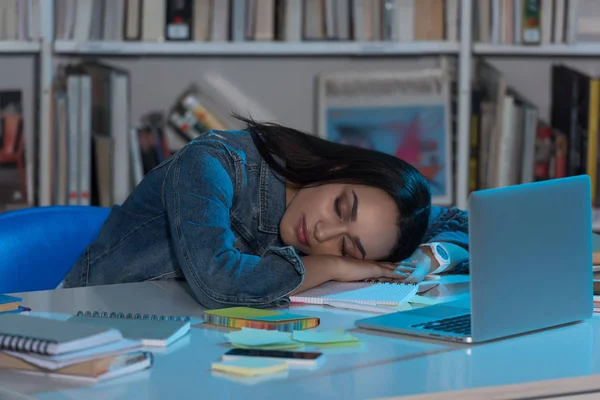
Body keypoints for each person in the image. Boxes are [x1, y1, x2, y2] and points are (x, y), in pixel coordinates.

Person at [62, 116, 469, 309]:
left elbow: (462, 223)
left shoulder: (379, 218)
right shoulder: (212, 163)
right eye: (340, 207)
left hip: (195, 337)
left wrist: (425, 257)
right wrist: (332, 267)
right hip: (94, 321)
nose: (325, 234)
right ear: (336, 168)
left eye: (350, 248)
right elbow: (218, 282)